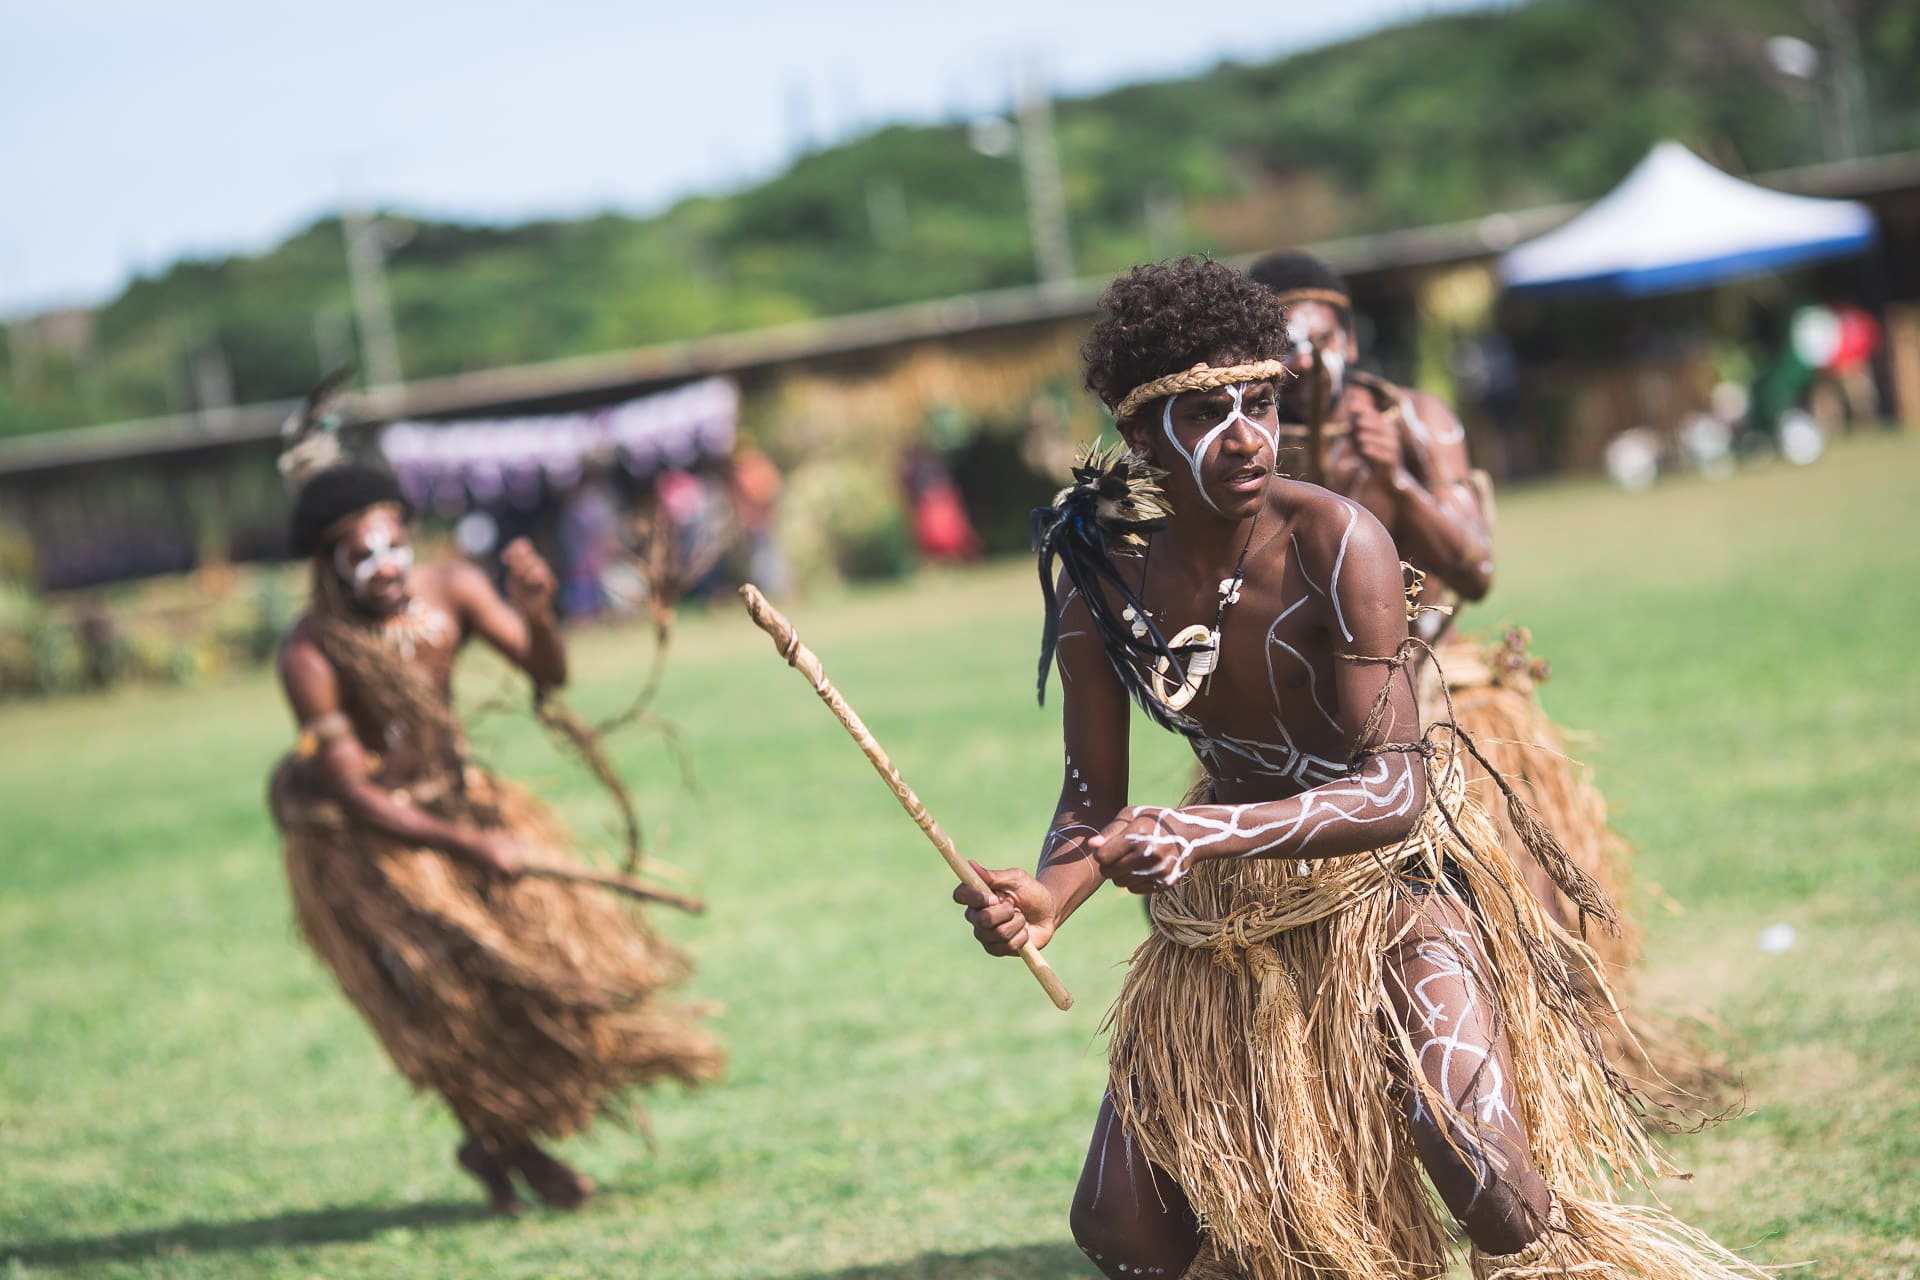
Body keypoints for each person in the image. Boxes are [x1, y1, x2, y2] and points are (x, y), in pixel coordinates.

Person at [956, 258, 1759, 1279]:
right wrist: (1045, 895)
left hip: (1389, 888)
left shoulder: (1339, 540)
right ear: (1138, 430)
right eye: (1209, 410)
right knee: (1124, 1227)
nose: (1248, 432)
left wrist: (1198, 829)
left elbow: (1395, 788)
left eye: (1262, 400)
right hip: (1230, 921)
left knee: (1491, 1181)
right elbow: (1089, 803)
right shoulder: (1102, 585)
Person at [268, 460, 722, 1215]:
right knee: (447, 996)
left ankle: (497, 1141)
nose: (386, 568)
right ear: (328, 565)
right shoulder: (310, 653)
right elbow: (351, 791)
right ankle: (509, 1146)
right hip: (370, 841)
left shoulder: (454, 591)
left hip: (467, 806)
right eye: (363, 556)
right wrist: (469, 849)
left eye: (394, 548)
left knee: (546, 972)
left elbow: (551, 673)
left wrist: (538, 611)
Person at [1247, 252, 1649, 991]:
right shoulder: (1248, 446)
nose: (1308, 362)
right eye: (1285, 348)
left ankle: (1549, 1017)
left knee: (1514, 896)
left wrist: (1395, 479)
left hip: (1446, 690)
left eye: (1322, 340)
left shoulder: (1413, 420)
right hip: (1312, 715)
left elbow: (1476, 571)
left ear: (1352, 341)